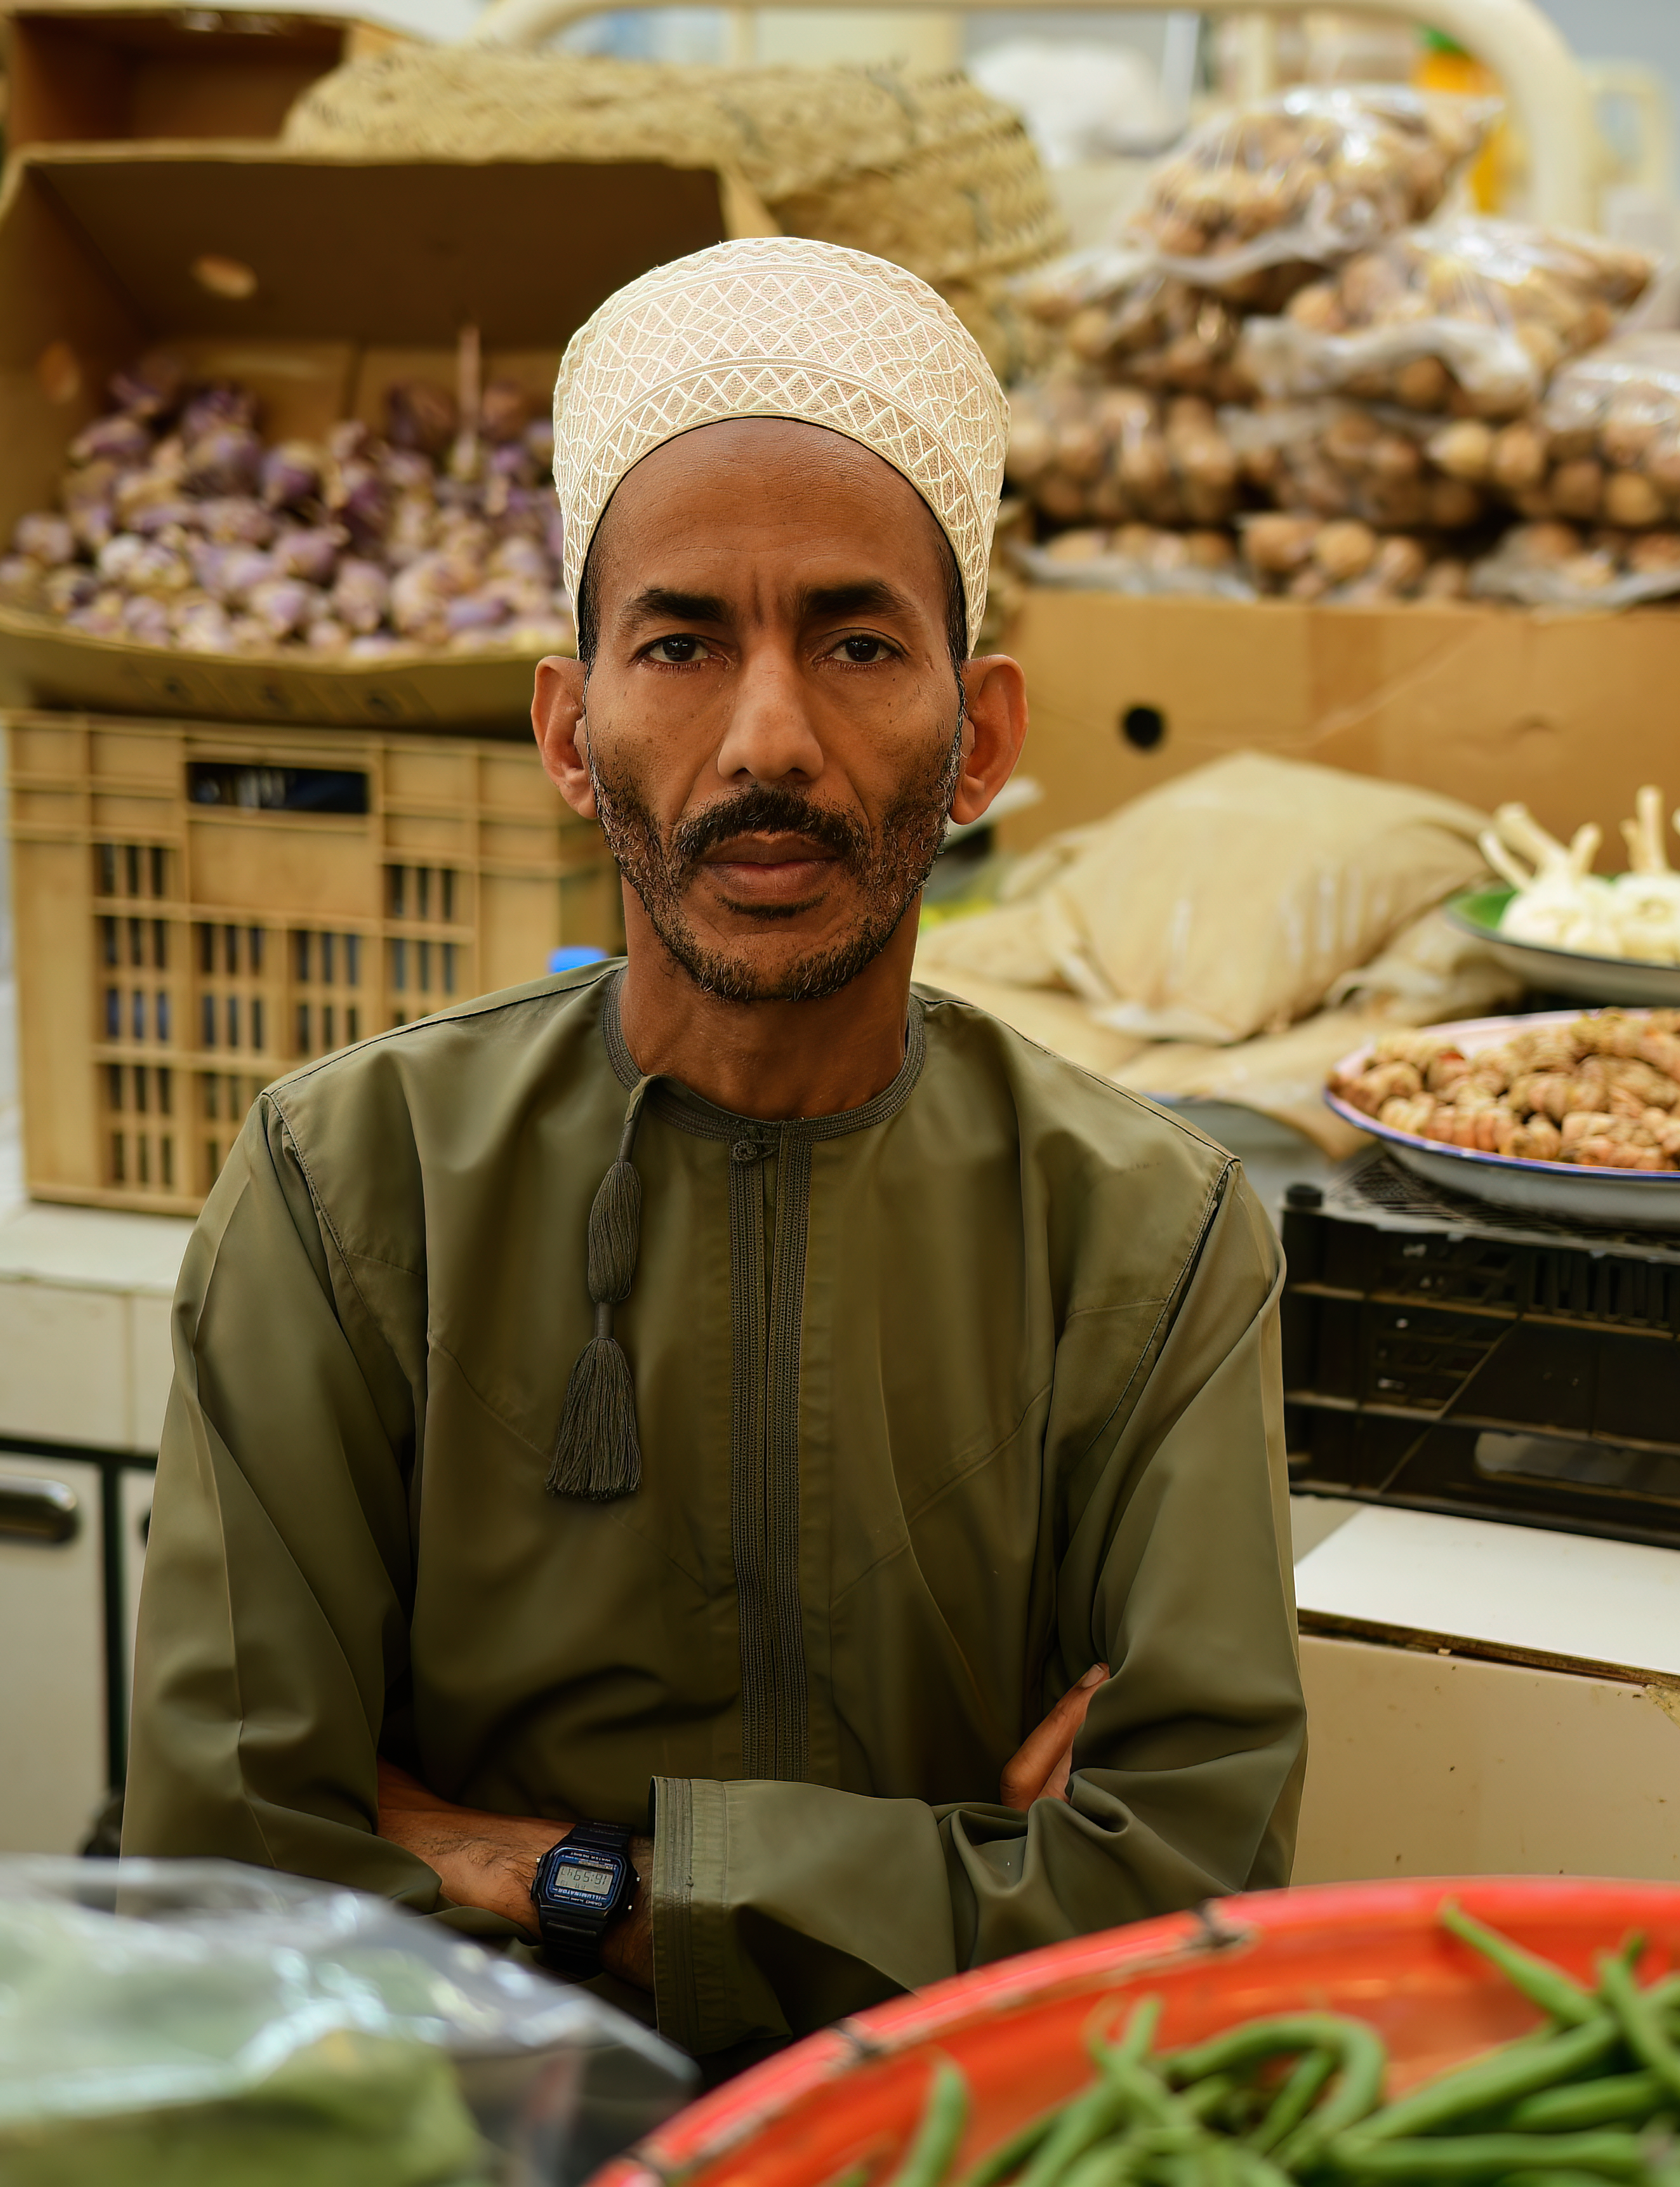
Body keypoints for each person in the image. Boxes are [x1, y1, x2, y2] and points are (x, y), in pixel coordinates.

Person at [123, 237, 1307, 2068]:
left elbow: (1175, 1905)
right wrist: (956, 1880)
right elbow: (233, 1871)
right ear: (572, 735)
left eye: (854, 642)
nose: (769, 738)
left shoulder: (1146, 1246)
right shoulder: (349, 1191)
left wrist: (548, 1872)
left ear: (976, 735)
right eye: (680, 645)